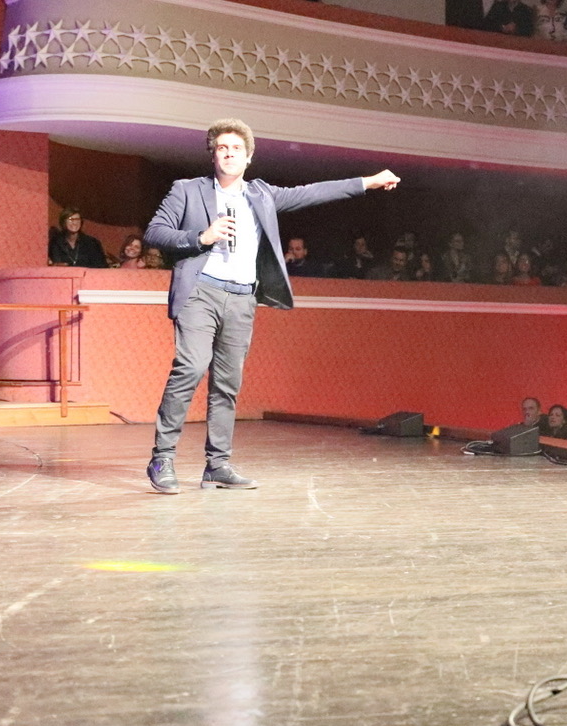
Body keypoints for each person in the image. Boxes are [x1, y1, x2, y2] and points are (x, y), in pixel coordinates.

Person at [142, 118, 398, 492]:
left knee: (227, 384)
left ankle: (218, 464)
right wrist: (201, 236)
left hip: (242, 297)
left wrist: (368, 182)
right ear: (213, 155)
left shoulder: (261, 195)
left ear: (248, 158)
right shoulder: (187, 190)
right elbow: (155, 232)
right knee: (190, 368)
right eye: (222, 148)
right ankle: (162, 458)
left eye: (236, 149)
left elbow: (313, 192)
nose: (229, 154)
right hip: (201, 292)